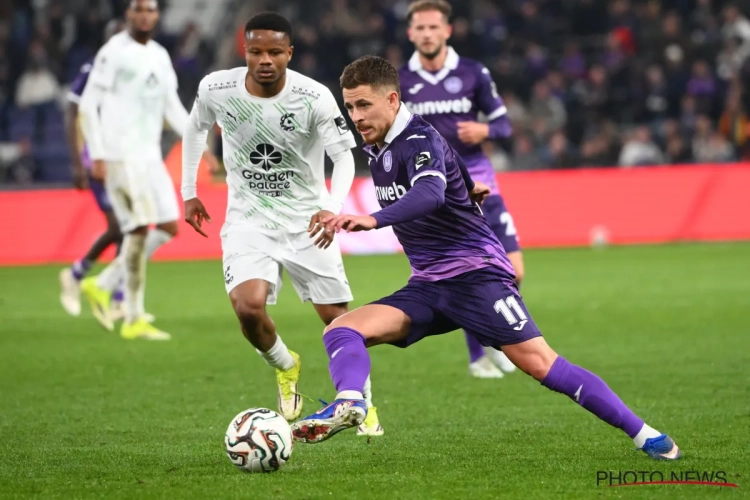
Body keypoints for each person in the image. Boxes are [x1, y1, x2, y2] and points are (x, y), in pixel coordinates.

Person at [290, 56, 680, 462]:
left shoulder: (417, 139)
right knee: (341, 329)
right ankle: (351, 401)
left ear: (391, 100)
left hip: (476, 276)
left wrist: (373, 219)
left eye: (363, 105)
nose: (355, 116)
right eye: (350, 107)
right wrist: (467, 185)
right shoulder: (381, 146)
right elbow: (449, 164)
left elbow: (430, 194)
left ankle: (647, 435)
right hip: (428, 285)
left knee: (542, 364)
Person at [180, 13, 383, 435]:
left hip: (308, 223)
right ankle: (285, 364)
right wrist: (189, 190)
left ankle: (362, 400)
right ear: (245, 51)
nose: (265, 60)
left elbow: (344, 157)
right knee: (247, 308)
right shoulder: (217, 88)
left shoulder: (313, 97)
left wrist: (333, 207)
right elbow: (195, 128)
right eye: (256, 52)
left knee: (338, 320)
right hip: (248, 220)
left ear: (289, 53)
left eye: (275, 52)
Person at [78, 0, 216, 339]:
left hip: (149, 156)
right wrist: (97, 154)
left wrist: (201, 146)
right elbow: (87, 104)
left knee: (169, 225)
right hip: (120, 155)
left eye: (150, 9)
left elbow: (172, 107)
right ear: (128, 13)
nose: (144, 15)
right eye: (138, 9)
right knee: (138, 229)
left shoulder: (159, 55)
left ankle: (103, 283)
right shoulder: (114, 51)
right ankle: (133, 318)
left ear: (157, 15)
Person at [399, 0, 520, 378]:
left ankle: (495, 341)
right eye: (421, 28)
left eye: (434, 27)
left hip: (482, 185)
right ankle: (479, 355)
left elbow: (504, 126)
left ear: (447, 30)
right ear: (410, 33)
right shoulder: (400, 81)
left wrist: (485, 130)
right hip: (438, 197)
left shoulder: (473, 72)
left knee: (514, 272)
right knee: (463, 274)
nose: (427, 34)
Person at [59, 20, 125, 318]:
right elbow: (72, 111)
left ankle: (119, 298)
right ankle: (77, 274)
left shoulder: (130, 74)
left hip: (124, 160)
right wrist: (77, 163)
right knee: (120, 227)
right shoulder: (92, 70)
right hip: (96, 159)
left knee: (130, 229)